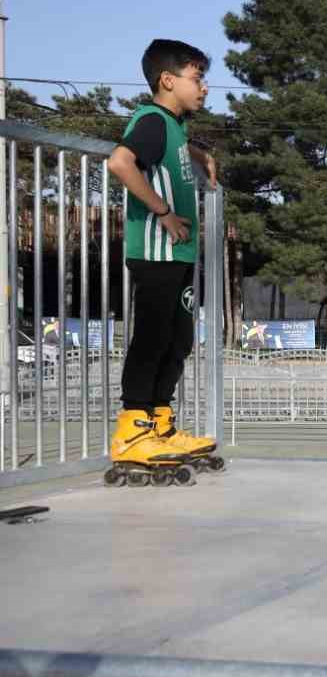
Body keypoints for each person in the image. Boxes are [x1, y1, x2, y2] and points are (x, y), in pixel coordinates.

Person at [105, 39, 220, 475]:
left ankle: (160, 426)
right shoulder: (152, 120)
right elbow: (121, 163)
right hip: (156, 250)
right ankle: (132, 431)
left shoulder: (173, 127)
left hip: (177, 254)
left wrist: (198, 154)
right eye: (197, 78)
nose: (204, 87)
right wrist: (164, 212)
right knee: (153, 338)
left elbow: (170, 150)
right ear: (168, 81)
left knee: (178, 339)